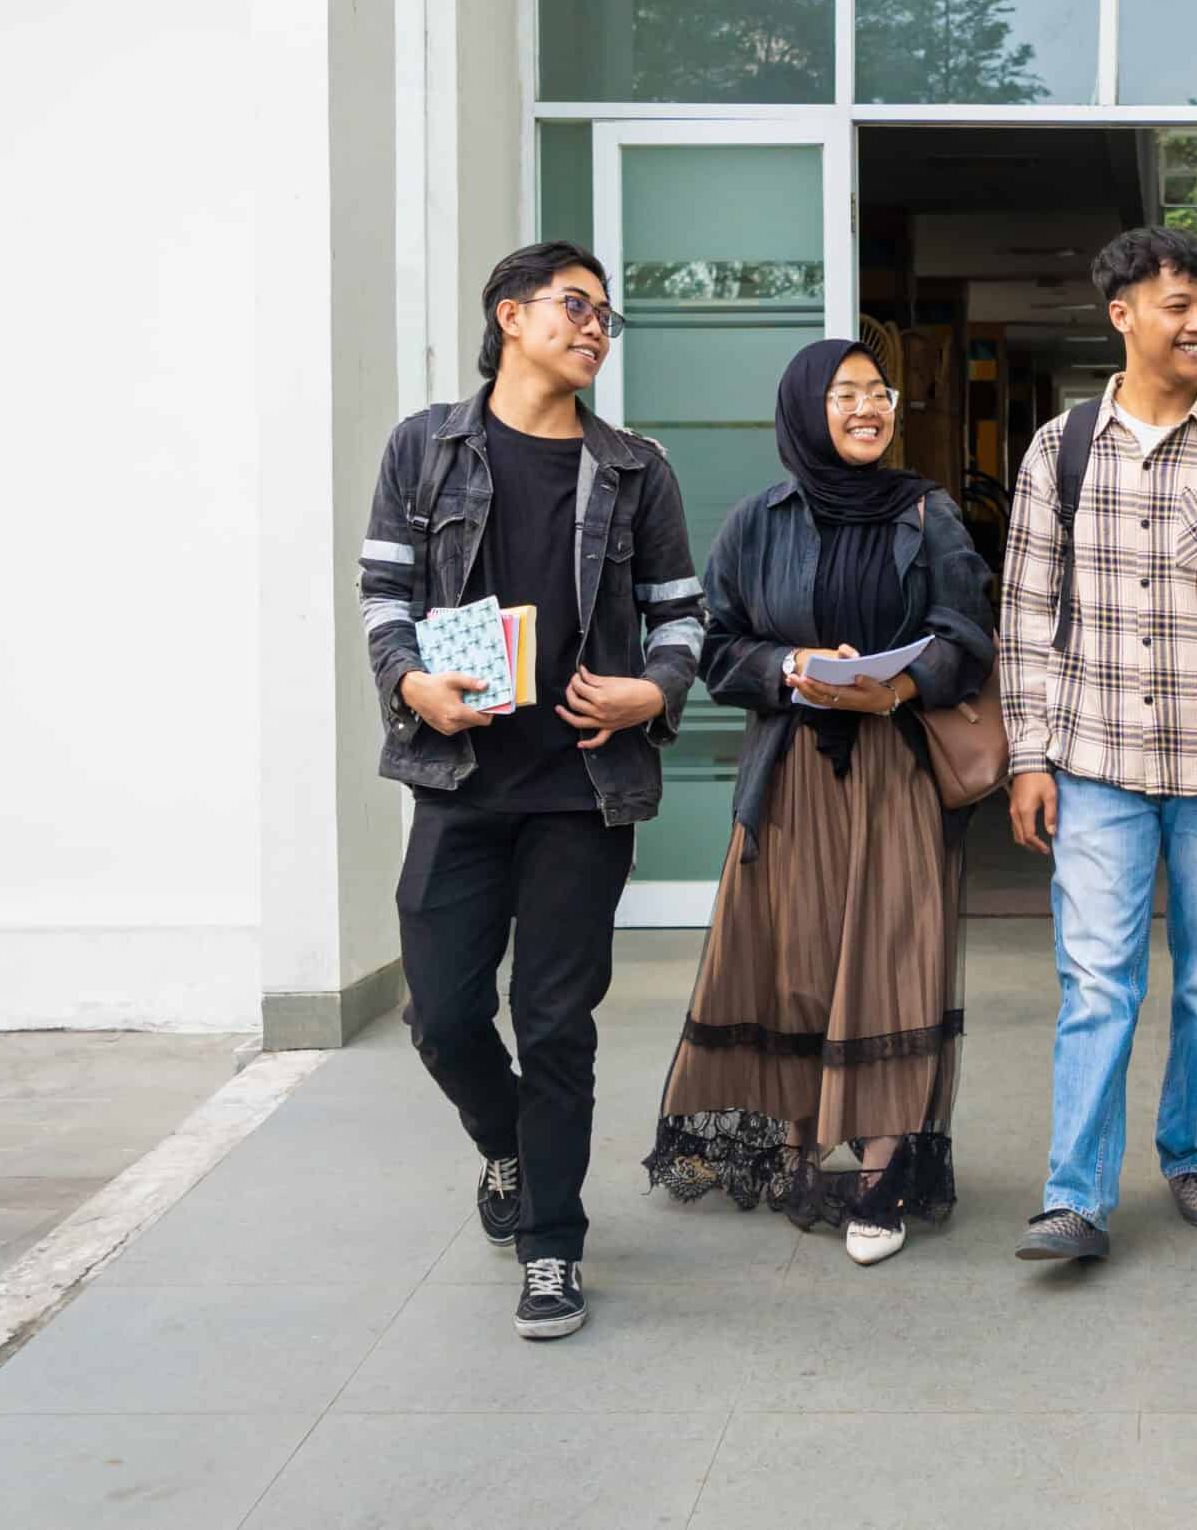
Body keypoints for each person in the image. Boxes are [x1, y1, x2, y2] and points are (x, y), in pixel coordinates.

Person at [357, 240, 703, 1340]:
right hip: (459, 779)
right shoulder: (425, 448)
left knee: (555, 1024)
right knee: (443, 1013)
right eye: (575, 306)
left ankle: (553, 1244)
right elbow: (383, 595)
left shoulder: (636, 469)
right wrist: (412, 682)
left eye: (606, 316)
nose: (596, 327)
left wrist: (653, 692)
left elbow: (681, 613)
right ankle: (504, 1143)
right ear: (509, 315)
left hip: (580, 792)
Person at [999, 225, 1197, 1264]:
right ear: (1122, 315)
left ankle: (1193, 1151)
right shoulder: (1059, 449)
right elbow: (1026, 616)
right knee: (1098, 983)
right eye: (1177, 305)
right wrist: (1027, 754)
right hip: (1095, 765)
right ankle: (1076, 1196)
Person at [643, 340, 993, 1268]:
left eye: (880, 391)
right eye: (845, 394)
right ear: (806, 409)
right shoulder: (759, 521)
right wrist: (792, 665)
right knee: (798, 961)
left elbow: (968, 635)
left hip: (894, 769)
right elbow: (717, 646)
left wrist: (899, 684)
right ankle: (801, 1145)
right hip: (793, 770)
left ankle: (880, 1170)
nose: (868, 407)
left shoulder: (929, 514)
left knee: (891, 957)